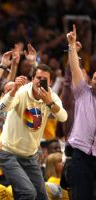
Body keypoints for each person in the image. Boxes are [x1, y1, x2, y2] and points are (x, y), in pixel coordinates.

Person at [0, 63, 68, 199]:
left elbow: (63, 117)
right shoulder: (22, 91)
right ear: (32, 78)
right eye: (37, 77)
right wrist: (13, 90)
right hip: (8, 154)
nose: (39, 81)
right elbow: (2, 109)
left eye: (44, 79)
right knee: (28, 193)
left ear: (51, 82)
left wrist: (49, 102)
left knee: (42, 196)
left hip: (29, 156)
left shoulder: (51, 97)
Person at [66, 25, 96, 200]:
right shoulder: (82, 92)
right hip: (81, 155)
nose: (95, 81)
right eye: (94, 78)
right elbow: (75, 69)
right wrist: (71, 47)